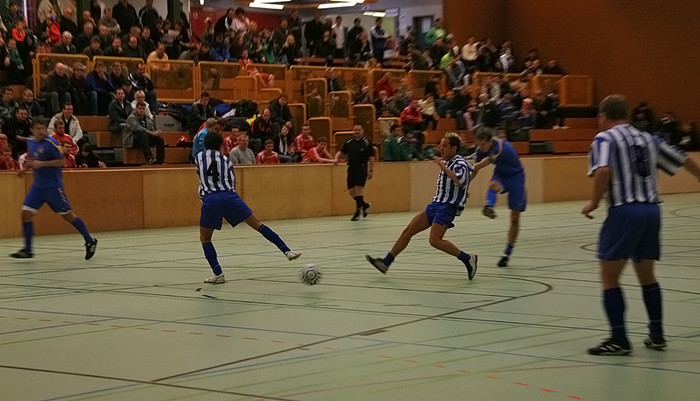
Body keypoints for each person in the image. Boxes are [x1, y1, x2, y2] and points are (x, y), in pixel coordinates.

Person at [581, 94, 700, 355]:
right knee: (647, 275)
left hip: (625, 210)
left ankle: (619, 339)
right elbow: (682, 158)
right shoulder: (648, 138)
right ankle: (656, 334)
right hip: (651, 211)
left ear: (603, 116)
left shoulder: (605, 138)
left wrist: (593, 202)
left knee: (609, 277)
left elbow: (603, 170)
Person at [194, 131, 301, 284]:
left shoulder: (199, 157)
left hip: (211, 198)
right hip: (230, 196)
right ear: (220, 145)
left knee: (205, 238)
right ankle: (286, 250)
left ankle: (218, 274)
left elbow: (201, 176)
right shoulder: (226, 160)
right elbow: (232, 182)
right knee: (257, 224)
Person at [366, 133, 477, 279]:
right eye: (440, 145)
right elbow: (470, 174)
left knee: (435, 241)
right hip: (436, 204)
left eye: (444, 146)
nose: (440, 149)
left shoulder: (459, 163)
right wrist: (463, 191)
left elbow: (461, 180)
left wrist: (446, 171)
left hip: (447, 207)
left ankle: (468, 258)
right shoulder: (448, 162)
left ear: (454, 148)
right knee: (408, 231)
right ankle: (386, 263)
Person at [10, 119, 98, 260]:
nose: (41, 131)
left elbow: (61, 161)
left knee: (67, 216)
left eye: (43, 128)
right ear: (32, 130)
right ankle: (27, 249)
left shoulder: (52, 143)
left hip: (53, 187)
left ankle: (89, 240)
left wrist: (43, 164)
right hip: (38, 187)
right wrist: (24, 169)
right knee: (25, 214)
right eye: (38, 128)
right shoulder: (31, 141)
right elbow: (32, 158)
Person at [471, 126, 526, 267]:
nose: (481, 148)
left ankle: (507, 252)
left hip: (516, 177)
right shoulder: (482, 148)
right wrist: (466, 185)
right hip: (501, 173)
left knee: (515, 218)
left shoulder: (500, 148)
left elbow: (479, 165)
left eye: (483, 144)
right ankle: (489, 206)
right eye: (479, 144)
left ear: (490, 140)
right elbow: (475, 168)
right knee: (493, 186)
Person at [334, 125, 375, 221]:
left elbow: (371, 157)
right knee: (351, 191)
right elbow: (341, 151)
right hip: (351, 167)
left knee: (358, 189)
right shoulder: (349, 142)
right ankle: (365, 205)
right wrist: (336, 158)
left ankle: (357, 213)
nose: (357, 132)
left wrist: (371, 170)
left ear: (363, 131)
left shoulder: (367, 142)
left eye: (359, 130)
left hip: (361, 167)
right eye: (355, 130)